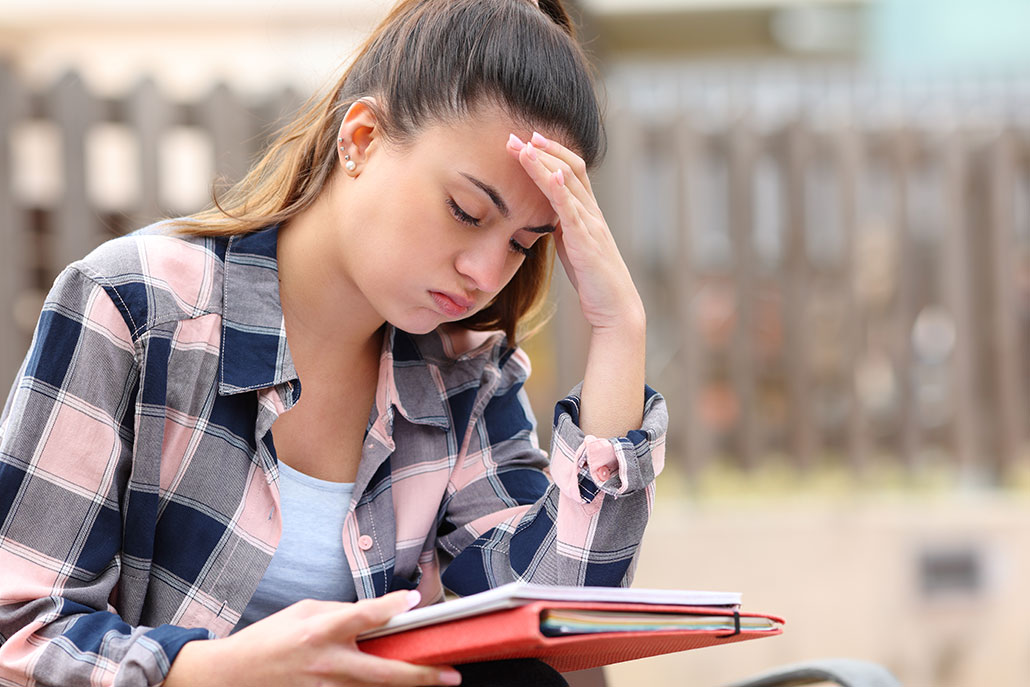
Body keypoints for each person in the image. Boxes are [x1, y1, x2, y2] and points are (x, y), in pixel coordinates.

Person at [0, 0, 667, 685]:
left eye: (522, 245)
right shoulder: (136, 306)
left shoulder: (461, 371)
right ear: (362, 138)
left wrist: (620, 329)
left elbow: (566, 615)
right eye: (466, 212)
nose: (486, 272)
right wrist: (217, 670)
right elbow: (17, 633)